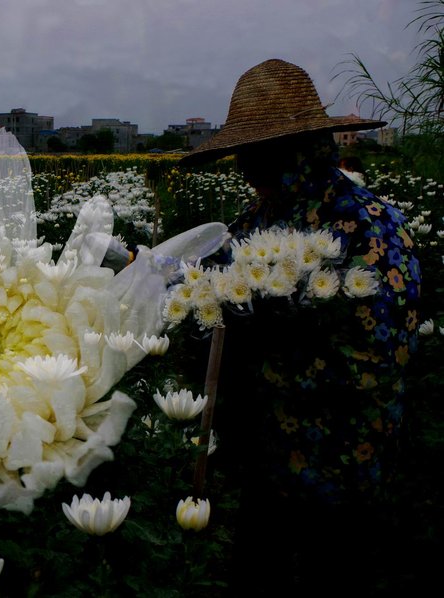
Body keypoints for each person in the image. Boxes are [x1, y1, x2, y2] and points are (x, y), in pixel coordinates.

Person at [179, 59, 421, 594]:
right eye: (241, 154)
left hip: (339, 469)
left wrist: (261, 358)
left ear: (294, 150)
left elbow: (379, 362)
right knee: (255, 568)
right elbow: (205, 296)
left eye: (254, 154)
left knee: (331, 572)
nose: (244, 169)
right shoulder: (255, 223)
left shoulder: (371, 228)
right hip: (261, 466)